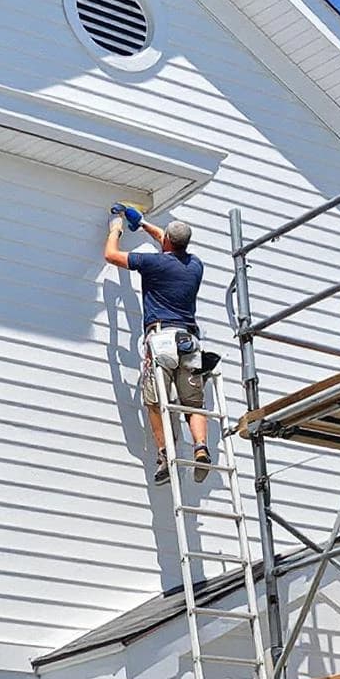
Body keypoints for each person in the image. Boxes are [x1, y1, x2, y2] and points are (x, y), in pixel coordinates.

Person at [104, 203, 212, 482]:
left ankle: (165, 455)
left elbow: (111, 256)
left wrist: (116, 229)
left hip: (161, 339)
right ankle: (200, 447)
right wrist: (141, 223)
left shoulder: (154, 263)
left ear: (166, 242)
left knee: (153, 400)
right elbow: (169, 239)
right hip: (189, 341)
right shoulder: (195, 265)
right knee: (194, 404)